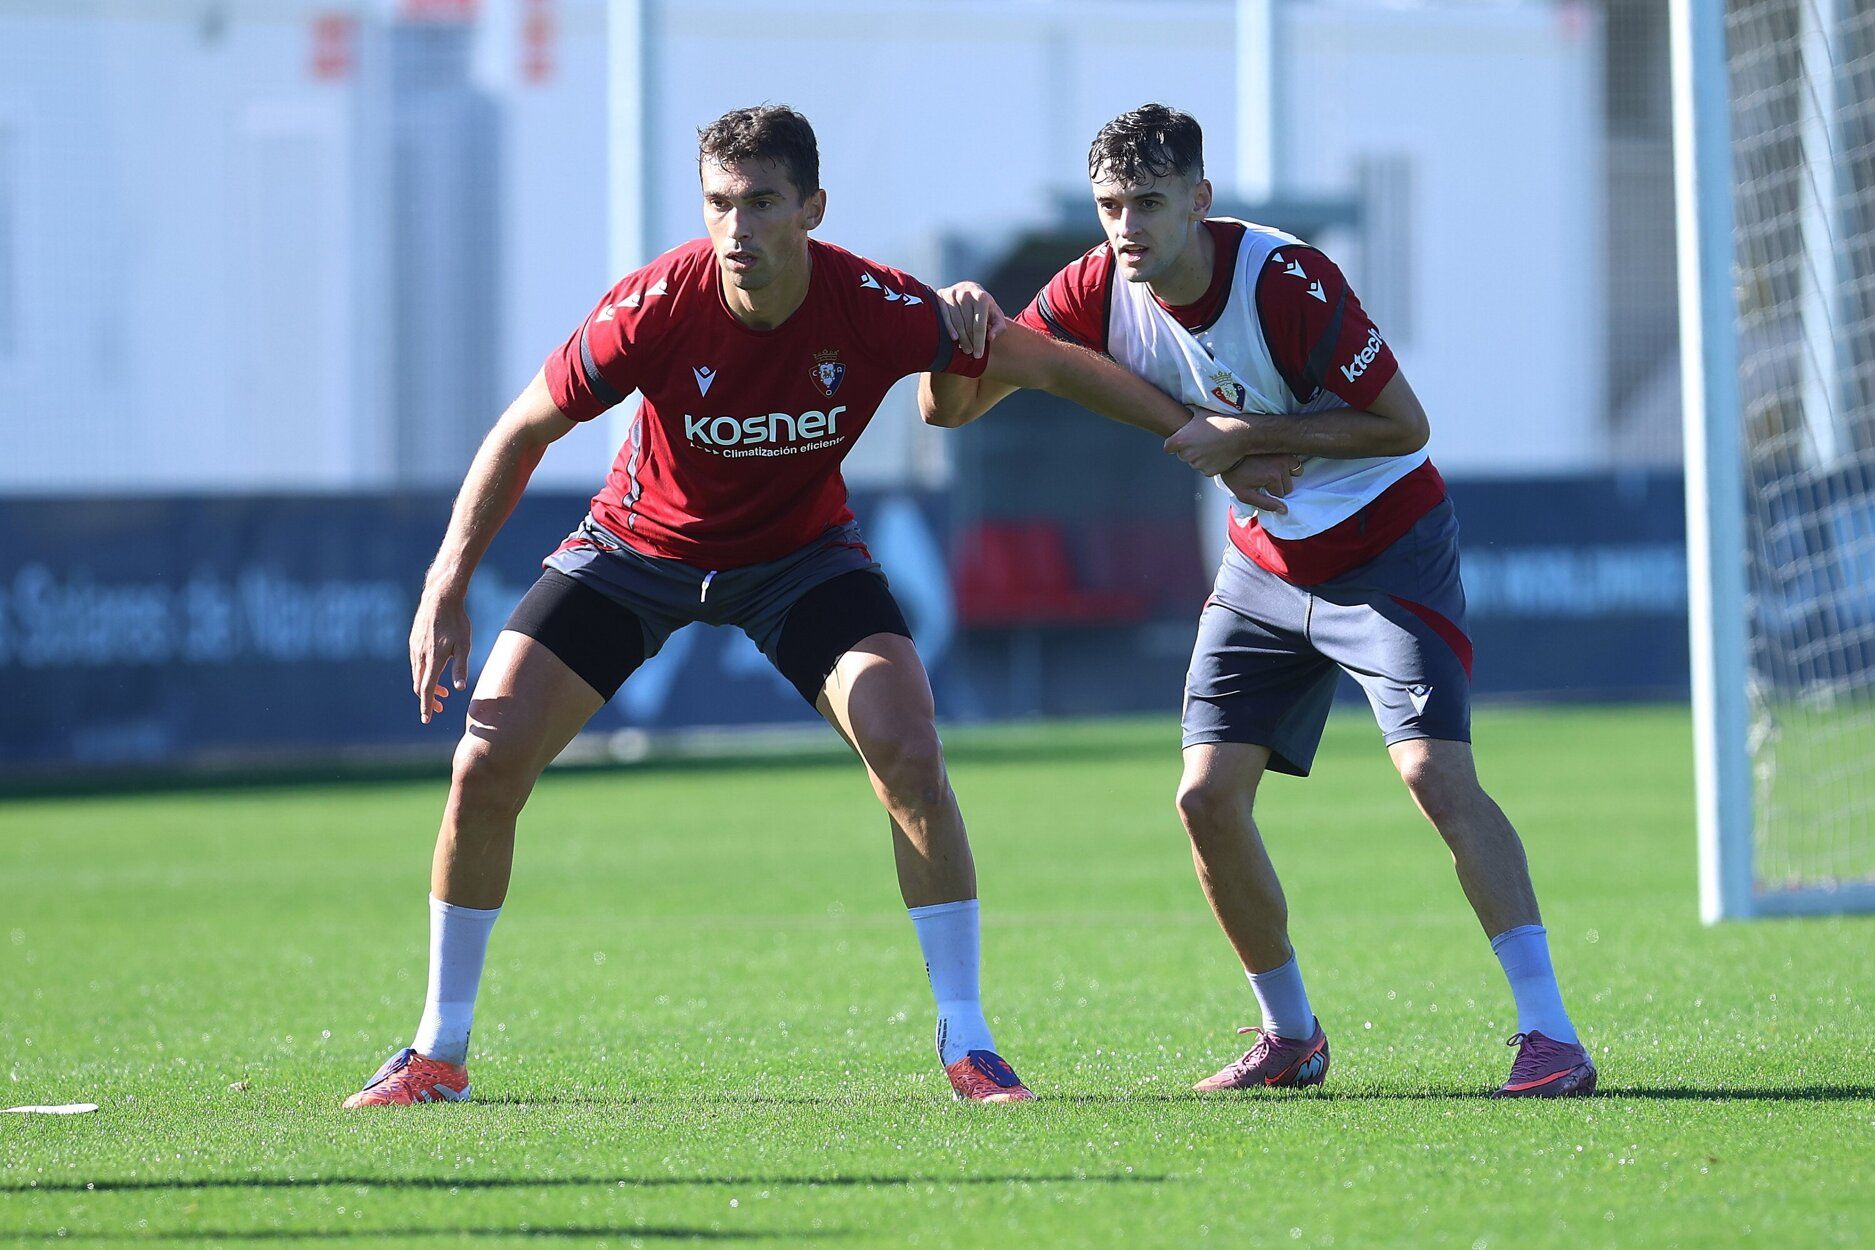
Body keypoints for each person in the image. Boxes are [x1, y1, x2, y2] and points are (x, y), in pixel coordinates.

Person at [338, 104, 1285, 1109]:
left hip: (799, 558)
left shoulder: (870, 303)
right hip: (636, 549)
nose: (736, 230)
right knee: (484, 759)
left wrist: (1201, 430)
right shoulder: (653, 305)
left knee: (910, 749)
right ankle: (437, 1052)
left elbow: (1040, 360)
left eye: (761, 203)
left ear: (811, 209)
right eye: (718, 205)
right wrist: (447, 579)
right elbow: (523, 428)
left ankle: (970, 1044)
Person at [919, 104, 1595, 1098]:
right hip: (1266, 571)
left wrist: (1242, 438)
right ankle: (1292, 1036)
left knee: (1435, 776)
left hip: (1386, 553)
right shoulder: (1099, 286)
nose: (1126, 228)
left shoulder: (1285, 281)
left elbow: (1404, 425)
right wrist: (956, 337)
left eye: (1148, 203)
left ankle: (1552, 1035)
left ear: (1199, 199)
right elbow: (962, 404)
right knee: (1203, 797)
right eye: (1110, 206)